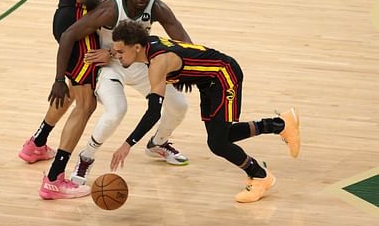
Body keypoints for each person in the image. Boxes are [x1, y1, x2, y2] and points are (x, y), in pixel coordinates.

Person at [109, 20, 301, 203]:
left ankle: (260, 176)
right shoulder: (146, 44)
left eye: (119, 52)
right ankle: (280, 124)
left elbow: (153, 113)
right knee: (221, 137)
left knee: (218, 143)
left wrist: (127, 144)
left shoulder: (157, 63)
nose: (117, 56)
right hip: (208, 83)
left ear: (136, 47)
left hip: (225, 76)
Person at [18, 0, 125, 200]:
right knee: (87, 102)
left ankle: (36, 144)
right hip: (79, 27)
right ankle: (54, 179)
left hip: (64, 19)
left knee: (71, 88)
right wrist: (109, 7)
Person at [57, 0, 191, 187]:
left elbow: (184, 43)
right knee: (117, 110)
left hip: (139, 64)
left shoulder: (157, 8)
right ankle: (86, 157)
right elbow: (69, 34)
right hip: (109, 66)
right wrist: (59, 79)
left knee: (179, 105)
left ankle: (158, 143)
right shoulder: (111, 8)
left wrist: (186, 71)